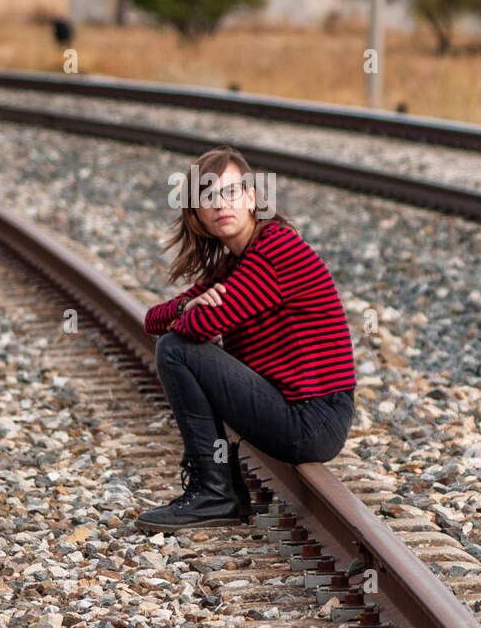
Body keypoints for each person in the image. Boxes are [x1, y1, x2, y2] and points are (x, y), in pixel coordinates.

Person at [135, 146, 357, 533]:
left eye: (232, 192)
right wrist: (187, 307)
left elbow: (199, 326)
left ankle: (215, 492)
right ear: (197, 213)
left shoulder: (277, 250)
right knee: (175, 343)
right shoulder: (236, 262)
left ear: (253, 197)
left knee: (176, 350)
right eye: (208, 196)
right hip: (302, 412)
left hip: (313, 418)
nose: (221, 204)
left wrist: (188, 311)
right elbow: (153, 319)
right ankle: (216, 489)